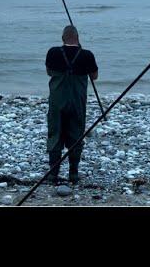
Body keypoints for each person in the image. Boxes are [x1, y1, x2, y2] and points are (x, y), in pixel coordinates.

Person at [44, 25, 98, 184]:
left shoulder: (53, 52)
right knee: (76, 135)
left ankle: (53, 173)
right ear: (78, 38)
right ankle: (73, 173)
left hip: (57, 101)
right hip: (77, 101)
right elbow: (94, 76)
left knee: (55, 134)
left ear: (62, 38)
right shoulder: (86, 55)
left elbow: (49, 72)